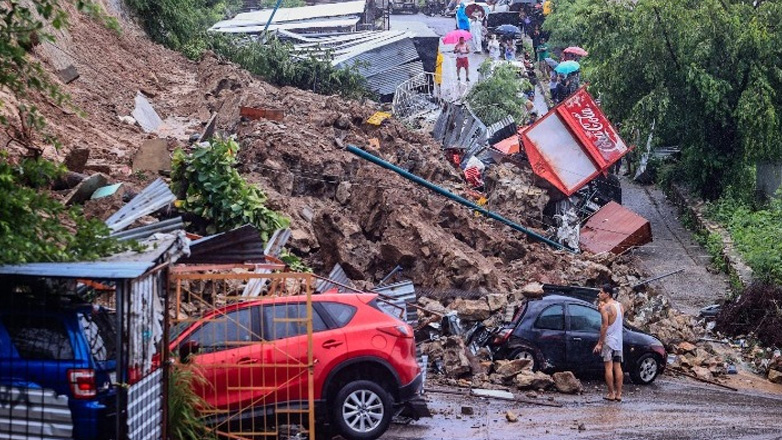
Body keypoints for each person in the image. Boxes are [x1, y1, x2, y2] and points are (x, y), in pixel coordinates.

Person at [593, 284, 624, 402]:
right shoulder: (620, 306)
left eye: (601, 292)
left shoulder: (605, 308)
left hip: (609, 340)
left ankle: (611, 393)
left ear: (607, 294)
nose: (599, 294)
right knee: (618, 367)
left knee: (608, 367)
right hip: (618, 341)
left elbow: (604, 326)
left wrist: (600, 343)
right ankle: (619, 394)